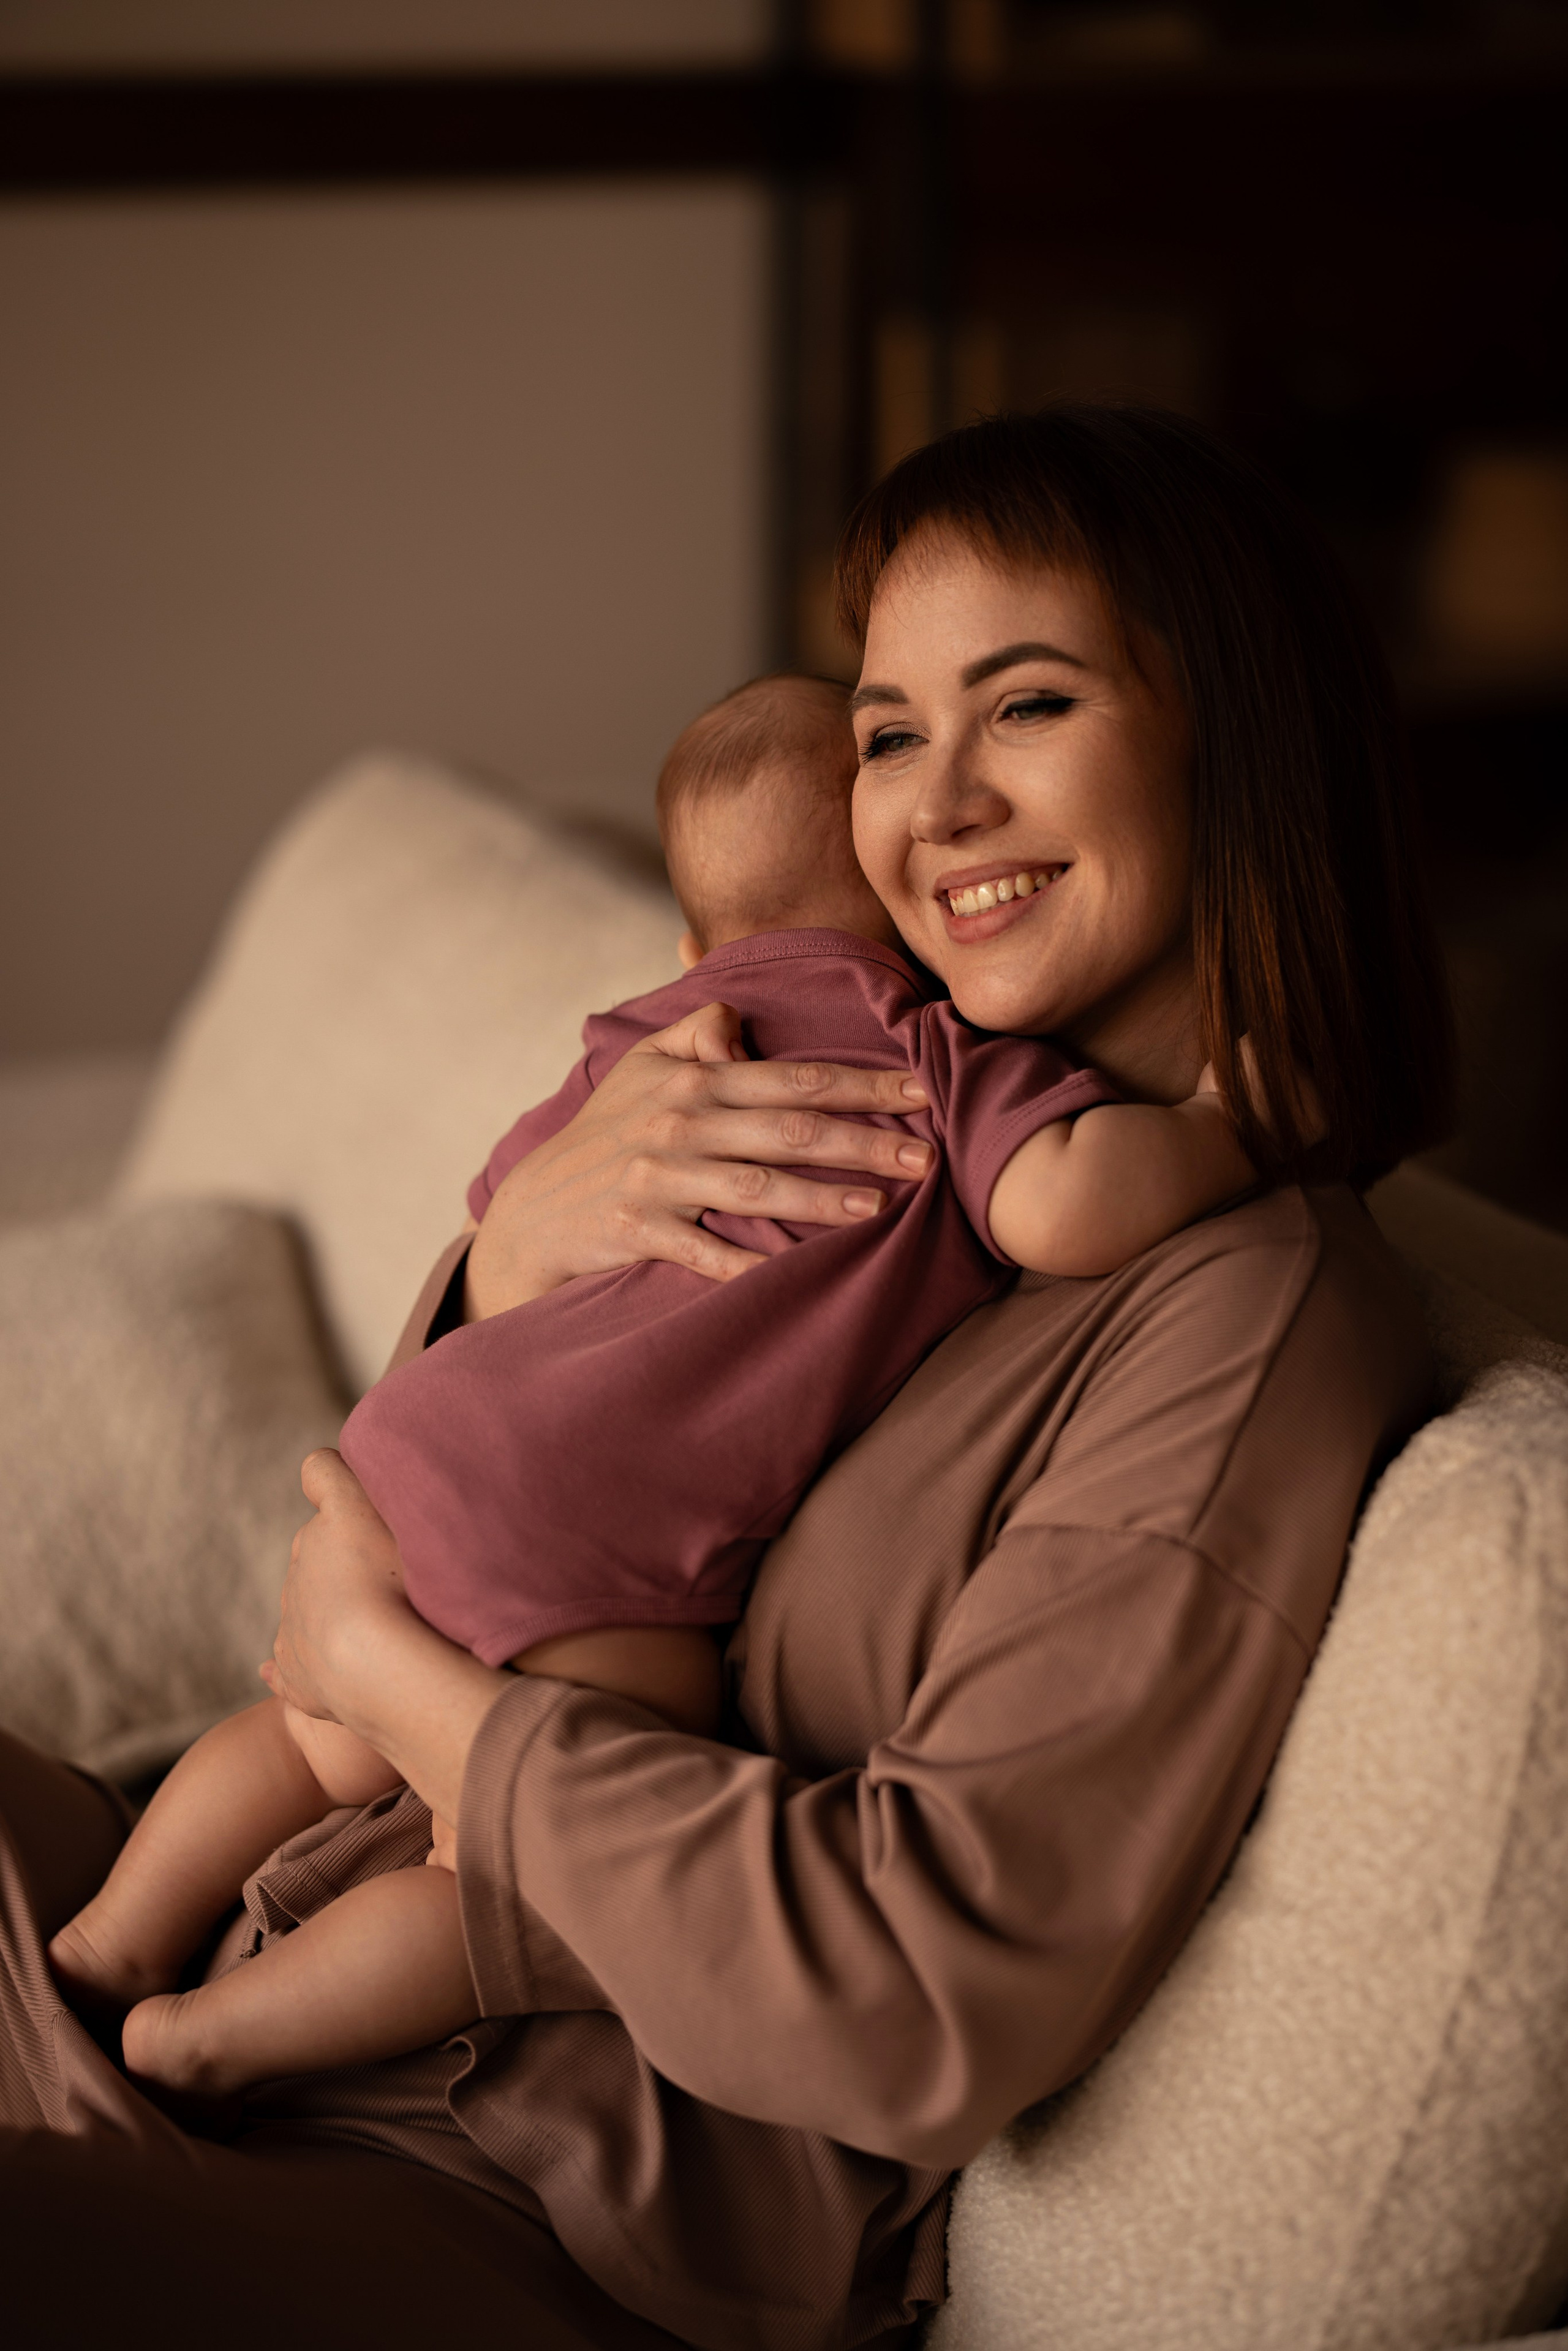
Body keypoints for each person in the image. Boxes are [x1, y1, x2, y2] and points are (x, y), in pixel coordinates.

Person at [0, 406, 1451, 2351]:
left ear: (1235, 746)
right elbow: (603, 1447)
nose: (930, 806)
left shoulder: (1235, 1313)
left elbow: (912, 1984)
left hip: (493, 2177)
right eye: (887, 729)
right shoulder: (857, 1087)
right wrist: (507, 1264)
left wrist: (399, 1684)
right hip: (207, 1893)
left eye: (1025, 704)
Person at [49, 663, 1259, 2101]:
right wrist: (1222, 1123)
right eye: (896, 738)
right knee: (501, 1872)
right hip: (594, 1537)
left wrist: (503, 1255)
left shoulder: (639, 1044)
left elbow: (511, 1204)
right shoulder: (938, 1054)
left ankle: (116, 1937)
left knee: (309, 1740)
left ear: (690, 935)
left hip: (419, 1450)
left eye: (1029, 706)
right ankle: (210, 2038)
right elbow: (1063, 1204)